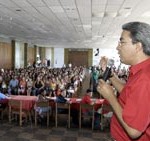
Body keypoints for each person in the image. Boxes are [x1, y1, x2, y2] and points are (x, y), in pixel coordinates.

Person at [97, 22, 150, 141]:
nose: (117, 47)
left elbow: (133, 131)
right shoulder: (141, 71)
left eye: (122, 42)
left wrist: (111, 97)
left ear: (138, 46)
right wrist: (110, 75)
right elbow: (130, 93)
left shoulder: (145, 79)